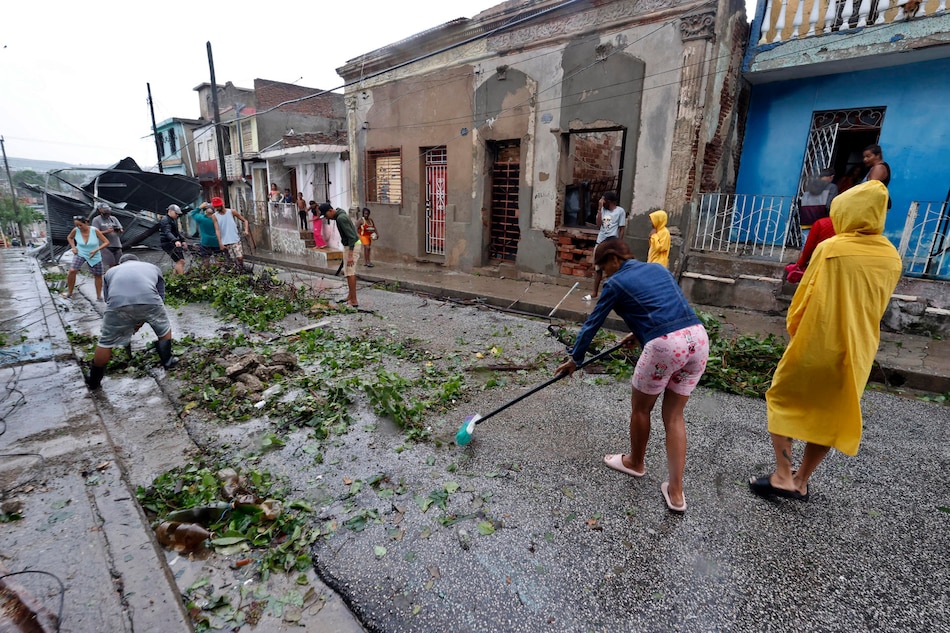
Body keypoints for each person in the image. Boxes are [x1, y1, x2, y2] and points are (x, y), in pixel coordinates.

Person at [749, 181, 902, 503]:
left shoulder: (832, 248)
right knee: (832, 412)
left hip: (819, 341)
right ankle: (802, 480)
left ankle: (782, 475)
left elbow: (805, 298)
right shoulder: (891, 256)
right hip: (859, 349)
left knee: (783, 398)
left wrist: (794, 331)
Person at [555, 237, 709, 513]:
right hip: (697, 339)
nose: (603, 274)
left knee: (641, 409)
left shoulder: (615, 283)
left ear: (614, 259)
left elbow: (592, 324)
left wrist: (575, 359)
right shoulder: (658, 269)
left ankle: (635, 463)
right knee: (674, 416)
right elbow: (665, 308)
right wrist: (639, 334)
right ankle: (676, 493)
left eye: (602, 267)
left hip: (665, 346)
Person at [84, 254, 178, 390]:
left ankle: (94, 380)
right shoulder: (152, 267)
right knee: (163, 328)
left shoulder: (111, 272)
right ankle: (168, 361)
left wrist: (127, 320)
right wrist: (145, 317)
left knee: (106, 341)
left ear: (120, 263)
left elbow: (108, 299)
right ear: (138, 261)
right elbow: (160, 295)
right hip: (150, 301)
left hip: (118, 305)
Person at [584, 191, 626, 301]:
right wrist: (599, 209)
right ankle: (594, 293)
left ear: (611, 202)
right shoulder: (603, 210)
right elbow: (598, 225)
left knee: (611, 270)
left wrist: (619, 244)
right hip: (600, 242)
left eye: (604, 201)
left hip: (611, 244)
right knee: (598, 269)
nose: (602, 202)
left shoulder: (620, 211)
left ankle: (610, 294)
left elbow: (622, 229)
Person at [319, 203, 360, 307]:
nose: (327, 218)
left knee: (350, 272)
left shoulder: (341, 218)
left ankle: (354, 300)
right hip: (349, 245)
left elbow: (352, 237)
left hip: (352, 245)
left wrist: (350, 255)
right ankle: (350, 296)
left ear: (330, 211)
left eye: (326, 215)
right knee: (347, 271)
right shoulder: (340, 214)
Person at [62, 215, 109, 300]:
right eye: (77, 225)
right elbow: (70, 237)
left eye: (81, 225)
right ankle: (70, 292)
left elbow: (106, 242)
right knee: (72, 270)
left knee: (98, 275)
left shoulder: (94, 230)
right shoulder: (76, 230)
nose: (79, 227)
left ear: (86, 223)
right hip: (81, 252)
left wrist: (96, 250)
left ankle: (99, 296)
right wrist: (73, 247)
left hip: (94, 254)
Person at [784, 214, 836, 283]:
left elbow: (809, 247)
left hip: (820, 262)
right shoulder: (850, 229)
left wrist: (800, 264)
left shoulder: (821, 223)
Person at [798, 167, 838, 242]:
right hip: (820, 220)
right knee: (819, 244)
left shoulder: (810, 185)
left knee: (806, 244)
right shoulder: (832, 187)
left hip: (805, 219)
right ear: (831, 177)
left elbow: (802, 201)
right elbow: (829, 204)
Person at [211, 196, 251, 270]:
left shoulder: (231, 211)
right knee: (231, 260)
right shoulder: (214, 216)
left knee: (240, 257)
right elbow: (217, 229)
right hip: (225, 241)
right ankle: (236, 271)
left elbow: (245, 221)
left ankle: (241, 269)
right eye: (215, 207)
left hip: (235, 239)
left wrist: (246, 230)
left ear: (222, 205)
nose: (217, 208)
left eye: (218, 206)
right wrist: (220, 243)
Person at [90, 201, 124, 269]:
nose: (107, 212)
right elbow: (95, 233)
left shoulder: (113, 219)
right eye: (105, 210)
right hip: (105, 246)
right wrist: (107, 231)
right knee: (111, 264)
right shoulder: (96, 220)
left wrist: (119, 230)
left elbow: (121, 230)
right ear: (100, 210)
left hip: (117, 245)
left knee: (119, 264)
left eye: (108, 210)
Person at [189, 202, 224, 266]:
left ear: (205, 211)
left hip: (205, 242)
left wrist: (199, 207)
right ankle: (218, 270)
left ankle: (206, 271)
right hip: (216, 242)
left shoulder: (201, 218)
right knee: (218, 259)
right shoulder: (218, 219)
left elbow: (193, 213)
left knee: (206, 260)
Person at [159, 204, 188, 275]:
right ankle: (182, 278)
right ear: (170, 211)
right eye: (176, 213)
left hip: (171, 242)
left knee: (180, 261)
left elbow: (176, 232)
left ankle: (175, 278)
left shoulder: (171, 220)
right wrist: (175, 240)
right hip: (168, 243)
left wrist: (182, 241)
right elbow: (167, 232)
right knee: (180, 261)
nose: (177, 215)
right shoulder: (165, 220)